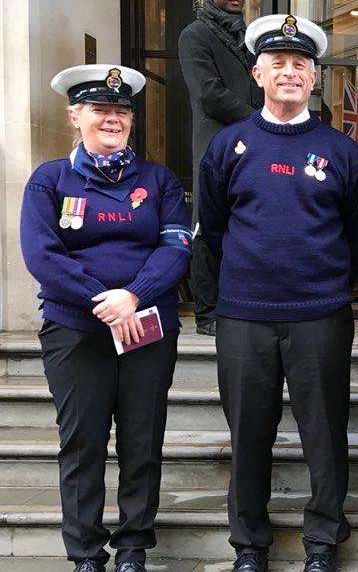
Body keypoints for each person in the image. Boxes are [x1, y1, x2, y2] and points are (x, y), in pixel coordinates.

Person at [197, 14, 358, 572]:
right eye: (279, 64)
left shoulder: (340, 150)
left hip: (319, 314)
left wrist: (324, 284)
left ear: (315, 78)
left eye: (301, 64)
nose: (290, 73)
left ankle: (322, 541)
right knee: (249, 436)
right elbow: (214, 228)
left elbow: (357, 232)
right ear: (258, 73)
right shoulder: (229, 145)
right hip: (245, 316)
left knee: (325, 436)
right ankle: (250, 545)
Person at [21, 64, 192, 572]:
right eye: (101, 109)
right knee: (82, 441)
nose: (113, 119)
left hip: (147, 328)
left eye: (121, 111)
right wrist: (105, 301)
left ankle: (134, 549)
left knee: (142, 440)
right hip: (76, 330)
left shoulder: (158, 180)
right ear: (75, 116)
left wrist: (133, 297)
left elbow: (176, 247)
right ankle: (86, 553)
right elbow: (42, 255)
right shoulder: (49, 180)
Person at [179, 0, 263, 336]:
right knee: (208, 226)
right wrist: (259, 119)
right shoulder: (195, 34)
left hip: (252, 143)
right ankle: (207, 311)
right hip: (217, 145)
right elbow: (209, 94)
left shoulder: (247, 35)